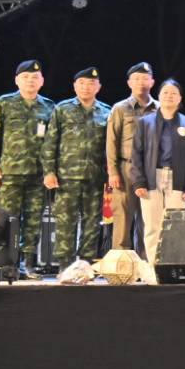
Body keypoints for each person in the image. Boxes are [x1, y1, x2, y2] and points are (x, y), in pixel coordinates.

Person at [0, 59, 56, 276]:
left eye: (35, 77)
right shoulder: (5, 103)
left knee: (33, 221)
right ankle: (6, 263)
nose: (30, 81)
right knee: (7, 219)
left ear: (41, 81)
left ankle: (27, 264)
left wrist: (51, 170)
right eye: (25, 77)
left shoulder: (49, 106)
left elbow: (53, 142)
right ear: (17, 80)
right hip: (10, 173)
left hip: (37, 175)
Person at [129, 79, 185, 266]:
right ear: (159, 96)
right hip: (151, 178)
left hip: (177, 179)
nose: (169, 96)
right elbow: (136, 154)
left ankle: (172, 267)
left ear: (180, 98)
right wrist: (138, 182)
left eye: (173, 93)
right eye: (165, 92)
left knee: (175, 225)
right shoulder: (145, 123)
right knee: (152, 226)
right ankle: (154, 268)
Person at [43, 68, 111, 268]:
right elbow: (50, 142)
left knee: (92, 222)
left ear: (98, 87)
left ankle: (85, 264)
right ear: (74, 86)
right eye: (81, 83)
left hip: (95, 177)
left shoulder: (107, 112)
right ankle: (65, 264)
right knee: (65, 221)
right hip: (66, 177)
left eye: (91, 83)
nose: (86, 87)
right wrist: (49, 171)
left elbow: (111, 146)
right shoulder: (62, 109)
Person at [106, 62, 157, 253]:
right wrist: (113, 172)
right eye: (136, 78)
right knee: (123, 217)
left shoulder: (160, 108)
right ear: (129, 83)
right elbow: (111, 142)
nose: (141, 82)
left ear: (152, 82)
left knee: (149, 217)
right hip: (125, 168)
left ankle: (146, 261)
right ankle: (121, 262)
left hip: (151, 170)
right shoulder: (120, 108)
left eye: (145, 78)